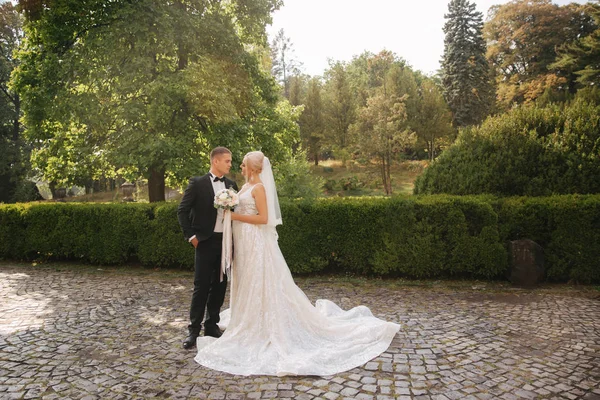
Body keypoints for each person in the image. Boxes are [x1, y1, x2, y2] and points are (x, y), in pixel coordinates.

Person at [194, 151, 400, 376]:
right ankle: (247, 318)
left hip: (256, 244)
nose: (239, 168)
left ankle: (263, 323)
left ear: (252, 168)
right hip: (243, 244)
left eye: (243, 165)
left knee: (259, 280)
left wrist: (234, 217)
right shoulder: (242, 187)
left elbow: (263, 218)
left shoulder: (259, 188)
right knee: (247, 280)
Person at [177, 147, 239, 349]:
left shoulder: (231, 185)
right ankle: (193, 331)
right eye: (227, 161)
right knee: (201, 286)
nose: (230, 164)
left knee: (220, 285)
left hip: (225, 242)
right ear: (216, 162)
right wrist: (192, 237)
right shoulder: (197, 183)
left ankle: (211, 325)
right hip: (204, 241)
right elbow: (182, 210)